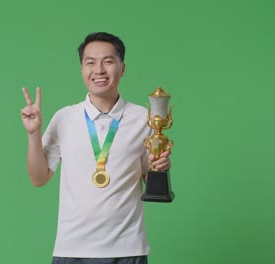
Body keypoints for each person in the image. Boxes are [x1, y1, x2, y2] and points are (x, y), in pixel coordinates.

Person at [21, 32, 172, 264]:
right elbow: (38, 178)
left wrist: (159, 167)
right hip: (71, 249)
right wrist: (33, 135)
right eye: (90, 62)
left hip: (127, 249)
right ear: (82, 69)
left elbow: (149, 180)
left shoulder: (145, 119)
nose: (99, 70)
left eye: (108, 61)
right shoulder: (64, 118)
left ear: (122, 68)